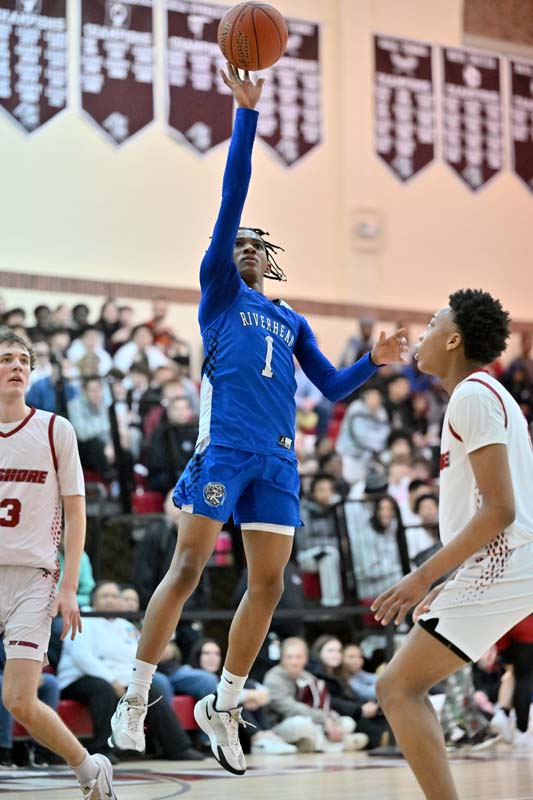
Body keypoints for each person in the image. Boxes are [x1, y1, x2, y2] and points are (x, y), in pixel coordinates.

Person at [109, 64, 408, 776]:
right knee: (187, 567)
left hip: (277, 459)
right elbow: (233, 191)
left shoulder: (290, 319)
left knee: (269, 584)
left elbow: (330, 387)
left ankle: (225, 704)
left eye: (253, 245)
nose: (243, 247)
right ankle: (137, 693)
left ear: (269, 261)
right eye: (236, 242)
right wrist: (246, 114)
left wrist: (372, 361)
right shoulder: (218, 292)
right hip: (224, 449)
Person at [371, 289, 533, 800]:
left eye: (431, 326)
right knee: (403, 686)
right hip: (506, 559)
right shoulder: (486, 395)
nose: (421, 336)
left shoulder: (472, 396)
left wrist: (422, 577)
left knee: (397, 687)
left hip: (509, 559)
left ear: (454, 340)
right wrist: (457, 579)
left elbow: (501, 511)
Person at [0, 331, 116, 798]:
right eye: (6, 358)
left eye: (23, 360)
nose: (16, 366)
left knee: (19, 699)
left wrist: (68, 587)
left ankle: (89, 769)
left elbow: (76, 513)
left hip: (33, 579)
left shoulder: (54, 429)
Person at [58, 581, 203, 763]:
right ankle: (102, 749)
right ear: (94, 600)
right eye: (105, 596)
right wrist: (112, 680)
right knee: (103, 689)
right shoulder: (83, 619)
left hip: (121, 679)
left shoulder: (125, 625)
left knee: (152, 691)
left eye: (114, 596)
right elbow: (82, 657)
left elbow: (137, 654)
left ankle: (178, 748)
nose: (110, 600)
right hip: (78, 678)